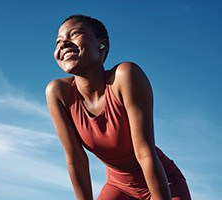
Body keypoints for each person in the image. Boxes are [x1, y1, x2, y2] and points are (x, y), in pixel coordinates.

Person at [46, 14, 191, 200]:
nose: (63, 44)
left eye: (74, 34)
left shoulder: (125, 76)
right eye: (58, 41)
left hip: (163, 182)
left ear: (102, 45)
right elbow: (76, 160)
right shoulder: (58, 93)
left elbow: (144, 152)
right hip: (118, 187)